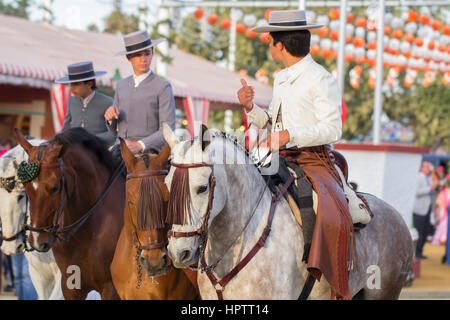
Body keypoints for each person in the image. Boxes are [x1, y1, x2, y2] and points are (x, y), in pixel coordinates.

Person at [238, 9, 354, 299]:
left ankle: (324, 278)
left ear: (280, 44)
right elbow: (273, 124)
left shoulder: (320, 78)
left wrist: (291, 136)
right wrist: (251, 109)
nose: (268, 44)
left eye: (270, 39)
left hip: (314, 160)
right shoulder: (281, 77)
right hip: (280, 158)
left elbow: (332, 128)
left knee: (324, 211)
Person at [105, 30, 176, 155]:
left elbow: (167, 130)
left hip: (150, 155)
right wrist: (110, 119)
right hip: (120, 152)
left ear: (152, 54)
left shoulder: (163, 86)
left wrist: (140, 145)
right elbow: (114, 131)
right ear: (129, 58)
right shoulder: (121, 85)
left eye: (147, 54)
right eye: (138, 55)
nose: (143, 59)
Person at [56, 61, 116, 146]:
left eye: (76, 84)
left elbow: (114, 134)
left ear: (89, 84)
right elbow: (66, 128)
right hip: (73, 150)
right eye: (70, 84)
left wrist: (93, 138)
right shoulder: (72, 101)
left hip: (98, 151)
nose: (71, 88)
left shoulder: (108, 102)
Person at [413, 161, 439, 259]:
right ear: (422, 168)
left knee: (425, 231)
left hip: (427, 208)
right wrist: (430, 188)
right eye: (427, 167)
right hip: (419, 209)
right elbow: (417, 192)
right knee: (419, 231)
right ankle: (417, 253)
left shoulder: (428, 178)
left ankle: (420, 252)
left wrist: (435, 186)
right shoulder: (419, 177)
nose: (429, 169)